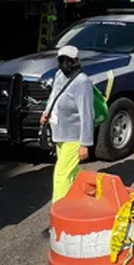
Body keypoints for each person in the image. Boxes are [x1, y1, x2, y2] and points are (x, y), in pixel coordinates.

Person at [41, 44, 95, 202]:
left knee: (61, 174)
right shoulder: (59, 75)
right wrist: (46, 112)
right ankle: (79, 201)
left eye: (68, 60)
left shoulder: (82, 82)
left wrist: (85, 143)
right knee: (72, 172)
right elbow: (54, 95)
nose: (64, 64)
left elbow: (87, 114)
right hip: (59, 132)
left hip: (73, 136)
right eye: (61, 60)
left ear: (76, 61)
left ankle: (58, 213)